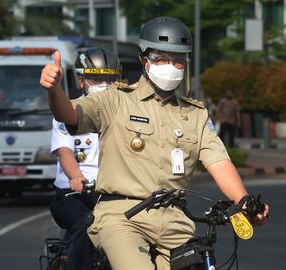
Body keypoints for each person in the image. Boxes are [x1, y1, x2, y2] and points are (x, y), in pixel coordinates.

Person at [40, 16, 270, 270]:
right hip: (123, 217)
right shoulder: (115, 100)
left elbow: (219, 161)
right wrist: (54, 90)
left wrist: (244, 201)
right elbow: (69, 114)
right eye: (161, 58)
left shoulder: (195, 114)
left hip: (176, 220)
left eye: (178, 60)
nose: (170, 66)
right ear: (144, 58)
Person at [49, 47, 121, 270]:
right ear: (81, 81)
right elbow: (64, 151)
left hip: (113, 194)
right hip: (74, 194)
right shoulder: (68, 111)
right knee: (84, 225)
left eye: (109, 79)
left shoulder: (126, 114)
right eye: (96, 78)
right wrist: (77, 176)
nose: (103, 84)